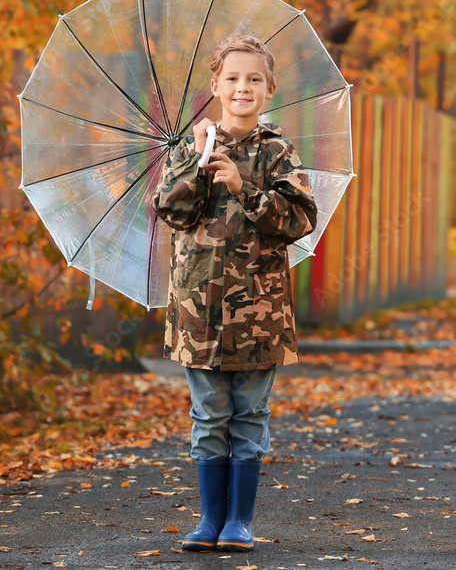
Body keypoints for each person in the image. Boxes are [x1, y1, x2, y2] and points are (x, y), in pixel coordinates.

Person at [150, 33, 317, 552]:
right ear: (216, 86)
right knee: (208, 416)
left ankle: (239, 523)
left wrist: (244, 189)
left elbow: (300, 220)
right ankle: (209, 520)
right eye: (232, 78)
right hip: (198, 311)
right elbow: (171, 212)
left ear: (269, 89)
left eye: (253, 79)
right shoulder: (190, 147)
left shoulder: (278, 152)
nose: (242, 87)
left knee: (248, 414)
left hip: (258, 313)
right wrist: (199, 164)